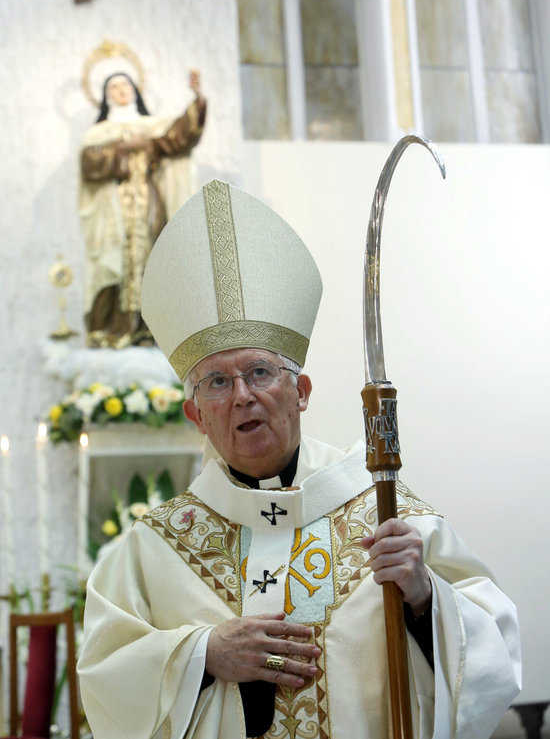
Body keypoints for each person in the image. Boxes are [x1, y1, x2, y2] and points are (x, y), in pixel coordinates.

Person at [77, 180, 521, 739]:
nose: (242, 395)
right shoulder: (156, 547)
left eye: (260, 371)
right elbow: (102, 678)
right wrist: (203, 655)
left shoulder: (383, 512)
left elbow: (496, 652)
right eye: (217, 381)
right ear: (196, 416)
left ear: (302, 391)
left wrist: (424, 598)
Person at [79, 69, 206, 348]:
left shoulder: (151, 127)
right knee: (114, 262)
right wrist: (122, 148)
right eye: (114, 87)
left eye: (126, 85)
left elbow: (178, 138)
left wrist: (197, 99)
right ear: (105, 96)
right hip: (113, 206)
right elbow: (90, 165)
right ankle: (113, 326)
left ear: (135, 90)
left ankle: (149, 330)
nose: (121, 90)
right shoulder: (98, 133)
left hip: (149, 203)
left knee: (152, 259)